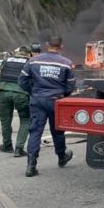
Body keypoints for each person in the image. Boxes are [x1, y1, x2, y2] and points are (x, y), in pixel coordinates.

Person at [19, 36, 75, 177]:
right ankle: (62, 157)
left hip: (37, 100)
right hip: (56, 101)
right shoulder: (66, 63)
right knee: (57, 131)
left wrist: (33, 91)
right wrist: (63, 95)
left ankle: (31, 166)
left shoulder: (34, 61)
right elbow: (70, 86)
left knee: (35, 132)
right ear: (61, 46)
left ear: (46, 44)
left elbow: (22, 80)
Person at [0, 46, 31, 157]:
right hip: (21, 94)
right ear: (28, 54)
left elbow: (0, 74)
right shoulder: (29, 62)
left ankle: (7, 145)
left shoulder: (7, 60)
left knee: (5, 121)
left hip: (3, 92)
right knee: (25, 120)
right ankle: (19, 149)